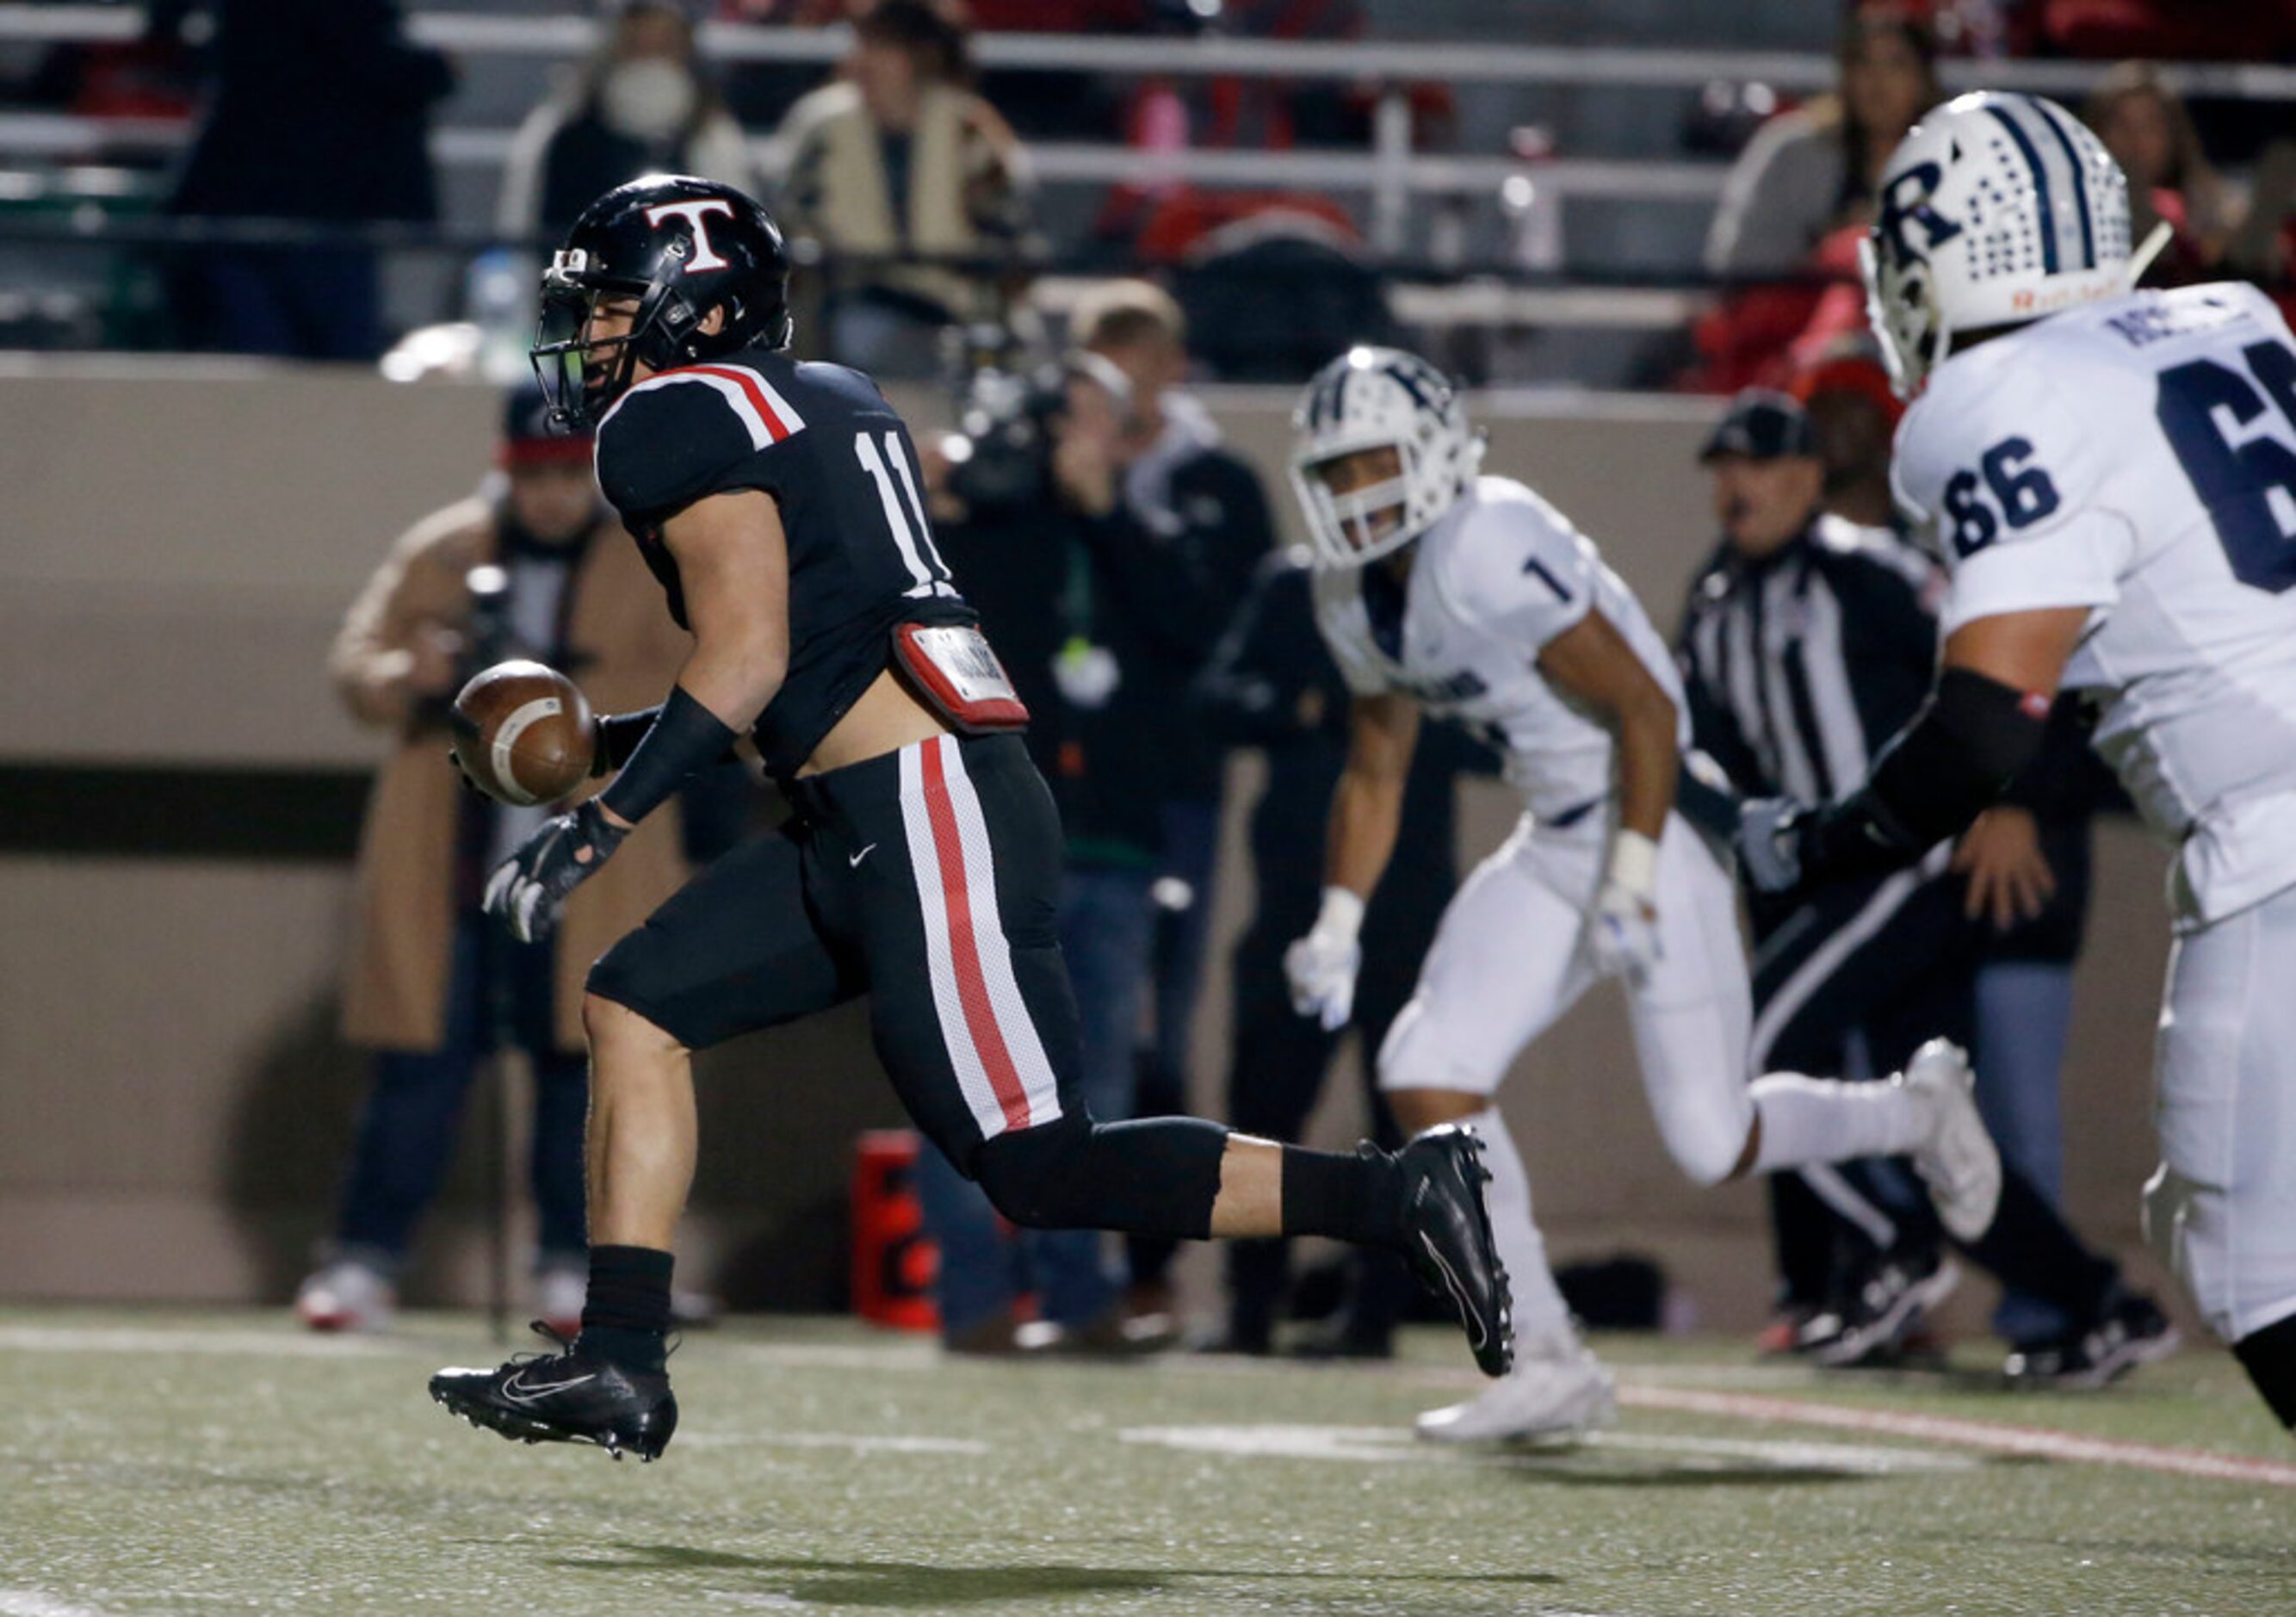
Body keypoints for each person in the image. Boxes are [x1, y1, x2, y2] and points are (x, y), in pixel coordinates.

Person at [426, 176, 1513, 1461]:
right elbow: (800, 668)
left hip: (920, 805)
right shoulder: (830, 394)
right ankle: (617, 1357)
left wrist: (601, 816)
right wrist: (612, 745)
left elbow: (748, 656)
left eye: (609, 304)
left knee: (1036, 1165)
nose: (593, 336)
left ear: (684, 304)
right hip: (887, 800)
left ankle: (1395, 1189)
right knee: (638, 999)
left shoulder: (665, 418)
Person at [1281, 345, 2000, 1445]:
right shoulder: (1347, 589)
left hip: (1650, 828)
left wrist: (1630, 874)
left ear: (1431, 451)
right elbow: (1377, 761)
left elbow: (1646, 714)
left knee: (1711, 1141)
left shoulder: (1490, 540)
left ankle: (1918, 1108)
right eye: (1334, 471)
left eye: (1373, 461)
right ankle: (1545, 1362)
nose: (1354, 492)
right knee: (1427, 1066)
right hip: (1558, 836)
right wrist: (1338, 917)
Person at [1741, 90, 2296, 1434]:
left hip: (2271, 838)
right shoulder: (2232, 317)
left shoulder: (1993, 398)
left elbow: (1986, 721)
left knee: (2241, 1253)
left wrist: (1824, 841)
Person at [1678, 387, 2172, 1378]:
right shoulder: (1714, 603)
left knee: (1756, 1042)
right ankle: (2100, 1306)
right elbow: (1709, 755)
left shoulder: (1874, 572)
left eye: (1762, 463)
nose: (1739, 485)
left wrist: (2010, 794)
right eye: (1726, 466)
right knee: (1928, 1121)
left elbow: (2001, 665)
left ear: (1810, 476)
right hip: (1825, 886)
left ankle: (1894, 1253)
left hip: (1906, 864)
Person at [300, 383, 694, 1335]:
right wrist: (415, 674)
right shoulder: (443, 548)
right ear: (505, 468)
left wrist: (581, 706)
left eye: (570, 474)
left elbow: (703, 672)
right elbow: (357, 662)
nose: (553, 495)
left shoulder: (651, 558)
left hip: (587, 858)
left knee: (578, 1072)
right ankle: (363, 1263)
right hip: (454, 857)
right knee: (420, 1073)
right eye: (535, 475)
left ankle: (569, 1266)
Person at [1194, 547, 1478, 1358]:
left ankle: (1377, 1315)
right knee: (1264, 1110)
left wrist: (1406, 713)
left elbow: (1492, 733)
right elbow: (1215, 698)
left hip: (1406, 910)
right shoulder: (1296, 584)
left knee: (1407, 1118)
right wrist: (1305, 704)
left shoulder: (1452, 590)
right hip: (1298, 903)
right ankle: (1251, 1308)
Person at [151, 0, 452, 360]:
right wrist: (439, 68)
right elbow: (383, 59)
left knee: (265, 367)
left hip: (249, 197)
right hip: (318, 207)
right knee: (331, 371)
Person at [775, 1, 1030, 376]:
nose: (865, 60)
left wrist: (982, 272)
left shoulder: (969, 127)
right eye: (864, 44)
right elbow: (790, 219)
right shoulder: (821, 127)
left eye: (883, 47)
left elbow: (1009, 223)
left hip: (956, 301)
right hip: (850, 296)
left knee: (1009, 344)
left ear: (922, 56)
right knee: (871, 337)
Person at [1704, 9, 1939, 281]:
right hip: (1804, 312)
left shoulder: (1953, 158)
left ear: (1924, 80)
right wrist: (1832, 250)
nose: (1878, 82)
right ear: (1845, 75)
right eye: (1863, 63)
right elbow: (1737, 262)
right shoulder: (1792, 151)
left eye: (1896, 64)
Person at [498, 0, 758, 242]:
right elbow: (521, 222)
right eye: (636, 38)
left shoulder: (712, 136)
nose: (648, 50)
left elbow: (735, 235)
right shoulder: (561, 129)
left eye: (662, 41)